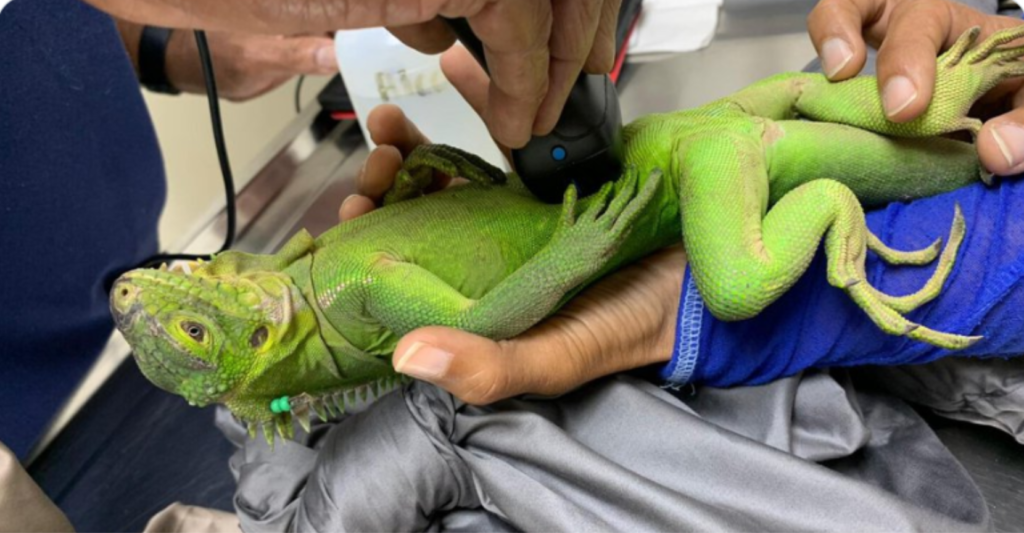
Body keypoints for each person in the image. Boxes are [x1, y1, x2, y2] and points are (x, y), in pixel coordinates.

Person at [0, 0, 620, 460]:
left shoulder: (310, 288)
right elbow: (476, 325)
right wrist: (575, 256)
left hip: (112, 244)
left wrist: (159, 42)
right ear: (261, 336)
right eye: (196, 326)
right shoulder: (350, 291)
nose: (153, 288)